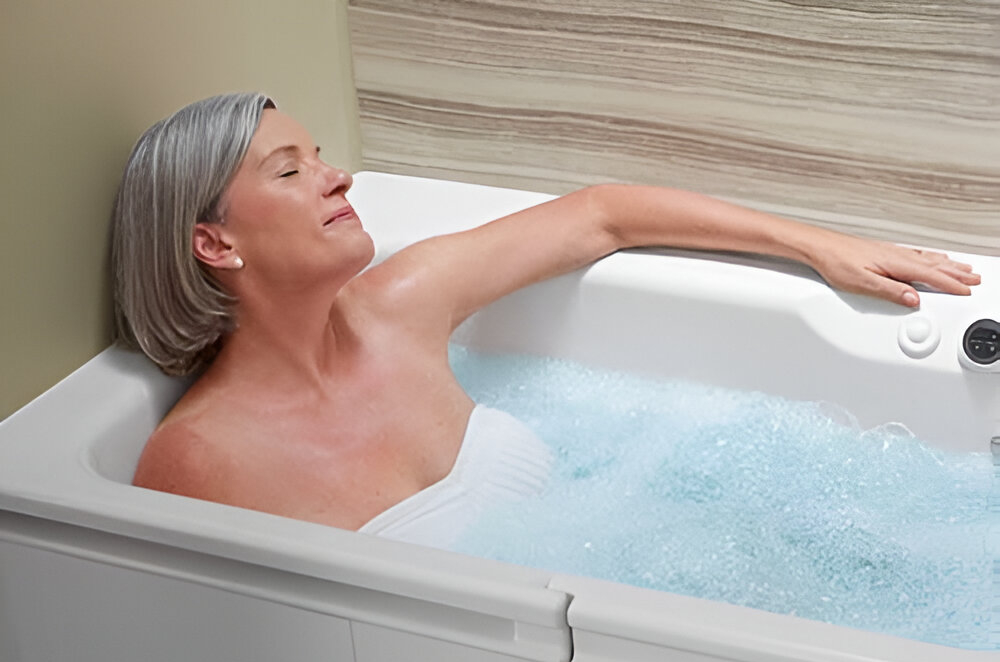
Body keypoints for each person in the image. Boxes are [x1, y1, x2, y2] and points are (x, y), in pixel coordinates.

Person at [112, 93, 980, 547]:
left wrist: (819, 245)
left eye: (320, 156)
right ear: (214, 243)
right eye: (290, 171)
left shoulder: (400, 304)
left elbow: (602, 215)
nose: (335, 176)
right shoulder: (197, 462)